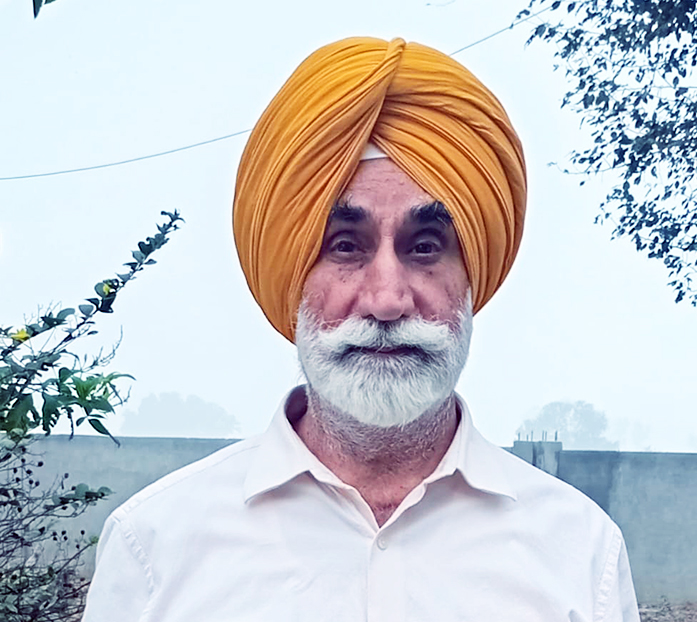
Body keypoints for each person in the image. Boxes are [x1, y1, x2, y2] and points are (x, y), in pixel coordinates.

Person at [82, 37, 640, 621]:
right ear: (291, 275)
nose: (387, 300)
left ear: (473, 274)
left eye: (425, 247)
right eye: (345, 246)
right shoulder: (157, 548)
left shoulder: (579, 553)